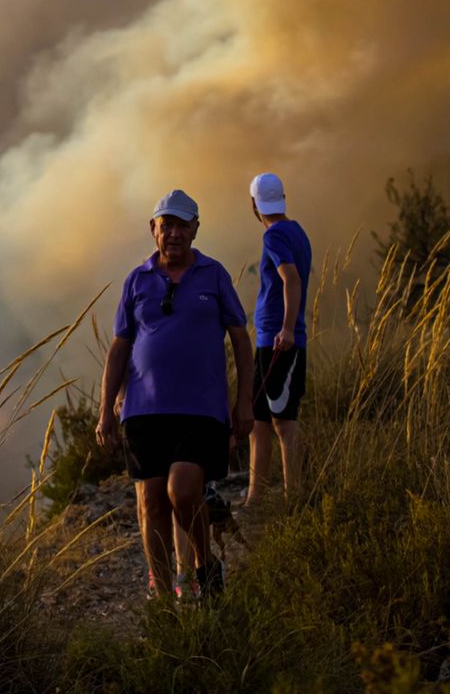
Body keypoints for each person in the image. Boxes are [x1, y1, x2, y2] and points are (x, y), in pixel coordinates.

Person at [96, 189, 254, 601]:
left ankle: (204, 564)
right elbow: (119, 347)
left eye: (183, 225)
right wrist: (105, 412)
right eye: (166, 225)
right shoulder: (137, 280)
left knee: (183, 491)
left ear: (196, 229)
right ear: (153, 230)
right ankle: (165, 599)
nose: (174, 234)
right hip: (144, 410)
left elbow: (240, 339)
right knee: (150, 503)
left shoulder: (214, 275)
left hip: (201, 408)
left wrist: (244, 403)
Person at [246, 171, 312, 508]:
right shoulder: (297, 231)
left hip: (279, 340)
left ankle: (293, 497)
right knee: (259, 419)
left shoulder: (273, 237)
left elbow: (291, 279)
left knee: (283, 420)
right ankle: (255, 497)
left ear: (254, 204)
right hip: (269, 340)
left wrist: (286, 328)